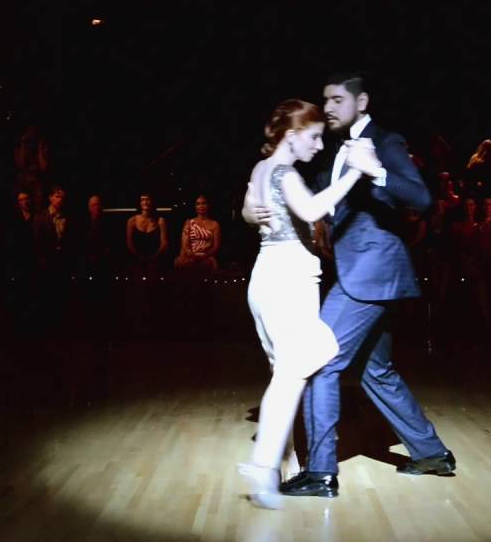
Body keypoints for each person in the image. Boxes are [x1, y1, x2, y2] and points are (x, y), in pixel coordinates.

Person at [280, 71, 456, 500]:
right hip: (365, 274)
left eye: (338, 99)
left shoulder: (386, 141)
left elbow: (422, 199)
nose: (330, 107)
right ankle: (431, 452)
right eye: (326, 100)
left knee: (319, 363)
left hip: (370, 275)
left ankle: (321, 473)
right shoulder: (336, 151)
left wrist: (376, 171)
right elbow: (314, 202)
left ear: (361, 103)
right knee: (377, 372)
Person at [237, 98, 374, 509]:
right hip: (287, 280)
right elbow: (314, 207)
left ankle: (285, 465)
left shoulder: (261, 169)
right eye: (313, 137)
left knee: (287, 373)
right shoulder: (283, 171)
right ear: (292, 135)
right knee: (302, 366)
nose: (318, 146)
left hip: (267, 277)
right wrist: (355, 171)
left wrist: (248, 213)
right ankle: (263, 470)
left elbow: (251, 208)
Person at [125, 193, 168, 276]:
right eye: (142, 199)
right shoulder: (132, 221)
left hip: (156, 260)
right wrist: (139, 258)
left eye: (147, 199)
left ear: (152, 201)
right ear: (139, 203)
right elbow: (129, 244)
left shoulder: (160, 221)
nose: (145, 202)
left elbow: (164, 244)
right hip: (136, 259)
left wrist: (153, 258)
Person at [175, 195, 222, 271]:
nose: (201, 206)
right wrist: (191, 255)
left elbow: (216, 246)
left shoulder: (215, 224)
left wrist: (204, 256)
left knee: (205, 265)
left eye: (204, 203)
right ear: (195, 207)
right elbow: (184, 244)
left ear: (208, 205)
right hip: (190, 255)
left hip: (206, 256)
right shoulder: (189, 222)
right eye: (198, 204)